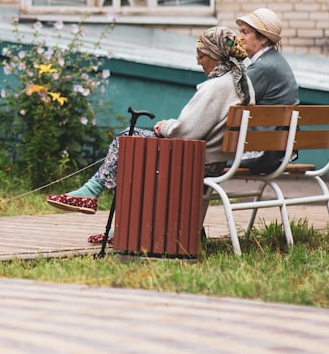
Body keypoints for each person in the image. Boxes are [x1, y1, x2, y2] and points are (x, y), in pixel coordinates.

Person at [46, 26, 255, 216]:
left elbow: (184, 133)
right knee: (133, 143)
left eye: (201, 55)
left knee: (128, 137)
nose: (198, 61)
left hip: (196, 162)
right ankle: (108, 214)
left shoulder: (217, 87)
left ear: (215, 55)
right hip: (214, 162)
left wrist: (165, 126)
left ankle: (91, 193)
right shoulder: (243, 85)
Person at [235, 7, 299, 174]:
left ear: (263, 38)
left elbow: (227, 101)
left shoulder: (263, 67)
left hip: (263, 153)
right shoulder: (274, 61)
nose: (240, 37)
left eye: (245, 32)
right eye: (240, 32)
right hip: (279, 149)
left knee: (198, 156)